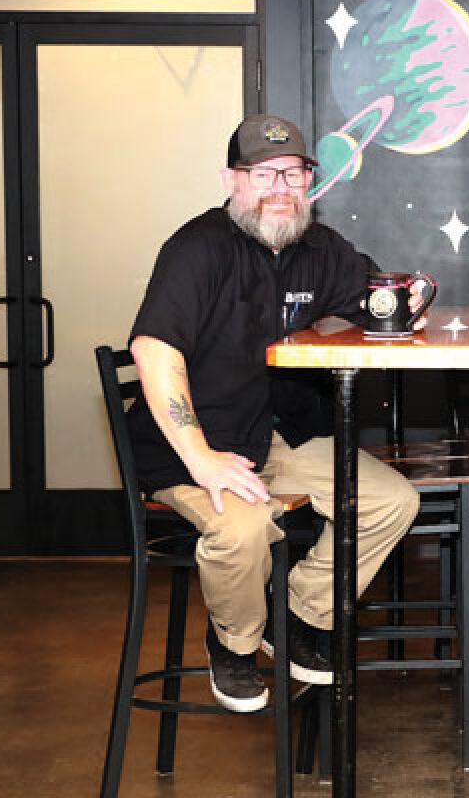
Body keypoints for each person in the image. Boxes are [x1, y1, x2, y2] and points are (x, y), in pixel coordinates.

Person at [128, 114, 421, 713]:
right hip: (192, 443)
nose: (280, 187)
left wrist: (404, 298)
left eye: (292, 172)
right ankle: (232, 642)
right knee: (245, 526)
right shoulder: (197, 248)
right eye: (263, 173)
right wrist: (202, 459)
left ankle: (297, 613)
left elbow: (374, 298)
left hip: (274, 433)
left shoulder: (320, 246)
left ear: (310, 178)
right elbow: (153, 350)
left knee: (392, 500)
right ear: (230, 179)